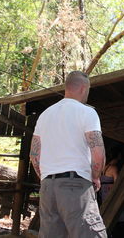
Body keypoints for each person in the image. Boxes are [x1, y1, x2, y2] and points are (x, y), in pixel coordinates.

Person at [30, 71, 107, 238]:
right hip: (75, 185)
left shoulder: (45, 115)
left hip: (48, 188)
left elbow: (34, 155)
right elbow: (98, 153)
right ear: (83, 88)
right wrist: (95, 176)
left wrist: (45, 176)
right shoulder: (87, 112)